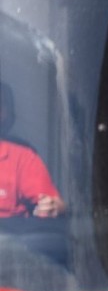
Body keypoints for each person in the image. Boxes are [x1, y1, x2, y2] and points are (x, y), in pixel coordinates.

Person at [0, 82, 64, 219]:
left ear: (5, 114)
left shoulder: (22, 156)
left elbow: (55, 205)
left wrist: (53, 207)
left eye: (2, 105)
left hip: (10, 240)